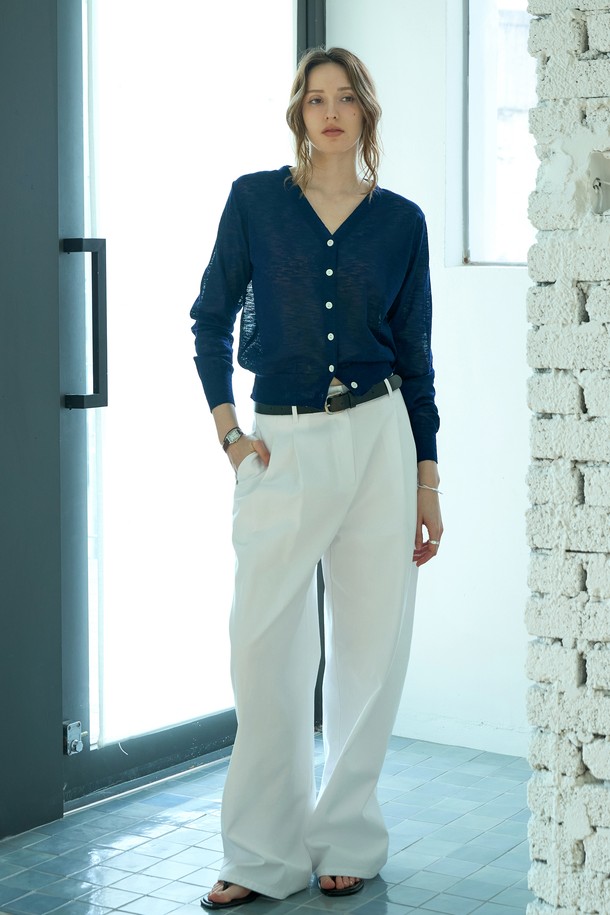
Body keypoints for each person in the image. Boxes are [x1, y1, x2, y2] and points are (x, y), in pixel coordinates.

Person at [190, 46, 443, 910]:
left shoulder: (401, 222)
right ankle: (259, 853)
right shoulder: (255, 202)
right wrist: (230, 434)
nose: (329, 113)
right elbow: (208, 319)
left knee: (371, 649)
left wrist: (428, 482)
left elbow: (417, 355)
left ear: (365, 112)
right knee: (263, 648)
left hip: (379, 436)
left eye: (344, 99)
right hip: (282, 442)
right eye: (314, 99)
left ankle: (348, 839)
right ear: (298, 113)